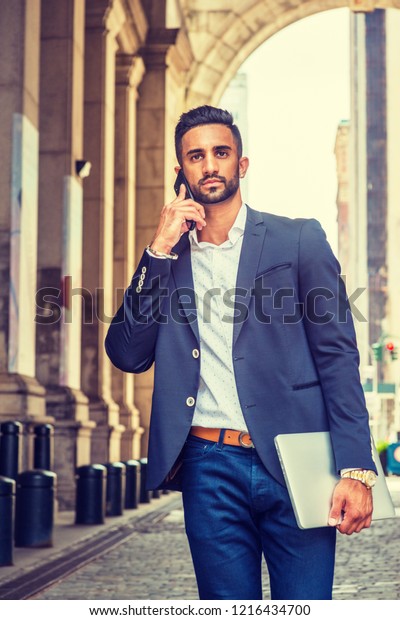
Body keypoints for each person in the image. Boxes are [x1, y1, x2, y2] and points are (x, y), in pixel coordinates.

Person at [105, 105, 377, 601]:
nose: (209, 164)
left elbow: (337, 357)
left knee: (305, 607)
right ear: (180, 172)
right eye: (196, 156)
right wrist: (158, 250)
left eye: (220, 152)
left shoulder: (297, 239)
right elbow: (126, 353)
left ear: (241, 165)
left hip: (299, 460)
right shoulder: (168, 260)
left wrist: (357, 469)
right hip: (209, 465)